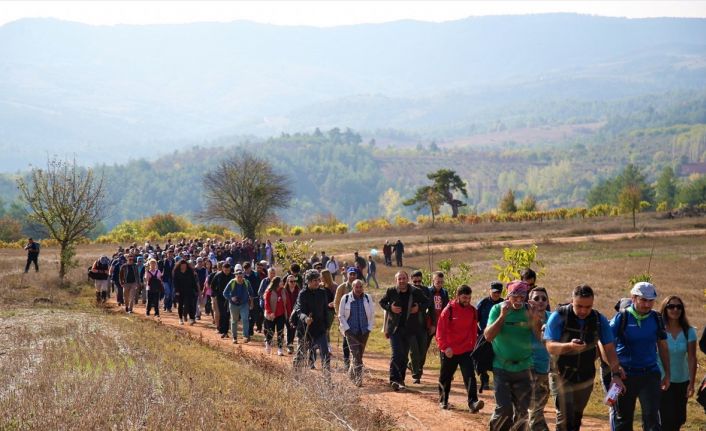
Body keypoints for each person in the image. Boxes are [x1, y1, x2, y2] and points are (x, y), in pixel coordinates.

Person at [543, 284, 624, 431]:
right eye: (579, 306)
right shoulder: (560, 316)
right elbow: (550, 346)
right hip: (561, 374)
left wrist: (616, 373)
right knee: (565, 417)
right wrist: (569, 346)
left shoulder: (599, 320)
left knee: (576, 417)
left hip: (585, 375)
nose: (583, 311)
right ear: (572, 301)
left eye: (588, 307)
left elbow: (610, 349)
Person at [609, 282, 669, 431]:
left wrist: (667, 373)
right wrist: (615, 371)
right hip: (625, 376)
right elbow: (607, 345)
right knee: (623, 419)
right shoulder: (621, 318)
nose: (647, 304)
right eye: (643, 300)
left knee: (652, 419)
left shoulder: (657, 318)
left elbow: (662, 346)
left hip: (650, 374)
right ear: (633, 298)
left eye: (651, 300)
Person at [484, 280, 541, 431]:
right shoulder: (497, 309)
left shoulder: (529, 311)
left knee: (523, 413)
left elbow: (540, 337)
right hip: (502, 367)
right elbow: (488, 336)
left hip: (525, 368)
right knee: (504, 410)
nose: (518, 300)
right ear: (508, 296)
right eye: (514, 296)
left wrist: (535, 318)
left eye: (522, 296)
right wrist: (503, 316)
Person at [436, 284, 484, 413]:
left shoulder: (473, 311)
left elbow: (473, 330)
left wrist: (473, 346)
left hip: (466, 350)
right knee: (446, 377)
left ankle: (473, 403)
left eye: (468, 298)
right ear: (457, 296)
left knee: (470, 376)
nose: (467, 300)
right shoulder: (448, 310)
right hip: (450, 350)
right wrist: (445, 347)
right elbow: (440, 330)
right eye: (464, 298)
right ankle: (443, 400)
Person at [379, 271, 429, 391]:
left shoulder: (415, 291)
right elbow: (382, 302)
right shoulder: (391, 291)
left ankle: (400, 380)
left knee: (404, 356)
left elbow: (427, 301)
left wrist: (419, 308)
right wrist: (390, 308)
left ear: (407, 279)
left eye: (403, 278)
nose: (401, 281)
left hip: (410, 329)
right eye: (399, 279)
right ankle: (393, 380)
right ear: (396, 280)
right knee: (396, 354)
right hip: (395, 329)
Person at [658, 296, 696, 431]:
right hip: (662, 380)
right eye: (671, 306)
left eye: (679, 307)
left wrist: (691, 383)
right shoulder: (658, 329)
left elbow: (692, 357)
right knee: (666, 419)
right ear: (665, 308)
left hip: (682, 380)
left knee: (679, 418)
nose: (675, 309)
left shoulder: (689, 331)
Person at [338, 279, 375, 386]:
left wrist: (369, 328)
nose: (359, 289)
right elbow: (341, 315)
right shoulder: (345, 299)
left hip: (364, 331)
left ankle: (350, 375)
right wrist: (346, 329)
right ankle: (358, 380)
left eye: (360, 287)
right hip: (351, 331)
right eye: (356, 287)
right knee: (356, 355)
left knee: (358, 356)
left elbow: (372, 314)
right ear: (353, 287)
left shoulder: (367, 298)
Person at [292, 269, 331, 370]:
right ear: (308, 281)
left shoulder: (322, 293)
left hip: (320, 329)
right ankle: (296, 374)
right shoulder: (302, 294)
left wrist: (327, 327)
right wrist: (305, 318)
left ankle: (327, 378)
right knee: (300, 354)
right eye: (315, 280)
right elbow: (299, 310)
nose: (317, 282)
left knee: (325, 353)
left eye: (318, 280)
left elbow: (325, 311)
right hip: (305, 329)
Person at [527, 287, 551, 431]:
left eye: (543, 298)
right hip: (527, 368)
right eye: (536, 298)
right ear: (530, 302)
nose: (541, 301)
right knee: (534, 409)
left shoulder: (553, 317)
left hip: (546, 369)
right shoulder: (524, 318)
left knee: (538, 408)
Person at [419, 270, 448, 384]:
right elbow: (426, 310)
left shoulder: (444, 293)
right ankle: (418, 372)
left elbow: (446, 308)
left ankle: (446, 374)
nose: (439, 284)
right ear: (433, 281)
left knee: (444, 348)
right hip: (429, 325)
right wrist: (431, 325)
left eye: (441, 282)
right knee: (423, 349)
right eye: (437, 282)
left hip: (441, 325)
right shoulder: (427, 292)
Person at [476, 281, 504, 392]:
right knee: (481, 359)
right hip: (485, 335)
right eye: (494, 292)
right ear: (490, 291)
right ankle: (484, 380)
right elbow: (475, 319)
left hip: (500, 337)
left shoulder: (504, 304)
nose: (496, 294)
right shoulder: (483, 303)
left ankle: (498, 382)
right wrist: (479, 332)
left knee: (497, 360)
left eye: (498, 292)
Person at [334, 268, 358, 369]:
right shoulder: (342, 287)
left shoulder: (358, 286)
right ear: (347, 275)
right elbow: (337, 302)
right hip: (344, 318)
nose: (352, 276)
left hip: (356, 318)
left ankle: (356, 361)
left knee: (357, 339)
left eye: (354, 274)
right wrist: (339, 316)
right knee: (346, 340)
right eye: (351, 274)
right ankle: (346, 361)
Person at [223, 266, 252, 343]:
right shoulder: (232, 282)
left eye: (241, 276)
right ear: (235, 276)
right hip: (233, 305)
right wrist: (231, 298)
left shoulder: (247, 282)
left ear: (243, 275)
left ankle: (245, 336)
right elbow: (225, 293)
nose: (240, 278)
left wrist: (251, 303)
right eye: (238, 276)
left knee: (245, 319)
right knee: (234, 321)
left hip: (244, 304)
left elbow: (251, 293)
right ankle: (234, 337)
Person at [263, 276, 287, 356]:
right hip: (271, 315)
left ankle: (280, 349)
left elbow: (287, 302)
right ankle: (268, 344)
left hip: (281, 314)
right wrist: (270, 312)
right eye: (281, 281)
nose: (282, 283)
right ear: (276, 283)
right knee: (271, 331)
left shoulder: (283, 290)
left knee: (280, 332)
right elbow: (266, 303)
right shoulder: (269, 291)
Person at [211, 262, 233, 338]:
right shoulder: (218, 275)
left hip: (230, 298)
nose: (227, 271)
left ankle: (225, 331)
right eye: (225, 270)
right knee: (222, 314)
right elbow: (212, 285)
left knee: (227, 315)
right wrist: (216, 293)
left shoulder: (232, 276)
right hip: (220, 298)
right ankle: (222, 330)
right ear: (222, 269)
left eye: (228, 270)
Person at [173, 259, 199, 325]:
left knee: (190, 304)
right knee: (180, 305)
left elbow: (193, 281)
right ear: (180, 265)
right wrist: (176, 291)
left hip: (189, 290)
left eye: (185, 265)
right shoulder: (176, 272)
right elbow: (175, 282)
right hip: (180, 291)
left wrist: (196, 290)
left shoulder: (190, 271)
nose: (183, 267)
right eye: (182, 265)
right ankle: (180, 319)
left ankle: (191, 318)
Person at [283, 274, 300, 354]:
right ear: (287, 282)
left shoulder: (299, 291)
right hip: (286, 312)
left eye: (294, 281)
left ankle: (290, 343)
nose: (293, 283)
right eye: (291, 281)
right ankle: (289, 344)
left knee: (293, 329)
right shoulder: (284, 291)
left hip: (295, 313)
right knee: (288, 328)